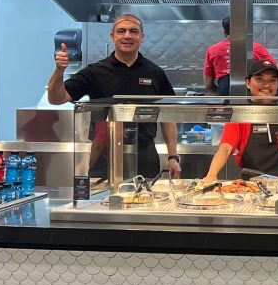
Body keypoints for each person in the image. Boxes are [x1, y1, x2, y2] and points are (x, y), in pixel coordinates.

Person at [47, 14, 181, 179]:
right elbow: (56, 98)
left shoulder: (155, 73)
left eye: (133, 31)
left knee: (143, 200)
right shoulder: (94, 71)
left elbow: (168, 116)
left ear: (141, 37)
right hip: (104, 154)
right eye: (121, 31)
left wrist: (173, 157)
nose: (127, 36)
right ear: (113, 36)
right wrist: (59, 71)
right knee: (102, 202)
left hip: (145, 153)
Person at [201, 59, 278, 184]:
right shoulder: (240, 115)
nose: (267, 84)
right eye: (260, 79)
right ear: (248, 83)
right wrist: (211, 174)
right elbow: (225, 148)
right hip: (250, 188)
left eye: (272, 80)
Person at [203, 17, 276, 95]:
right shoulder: (256, 48)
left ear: (225, 33)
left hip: (226, 93)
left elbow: (208, 84)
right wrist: (274, 92)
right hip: (252, 96)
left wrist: (221, 94)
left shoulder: (212, 50)